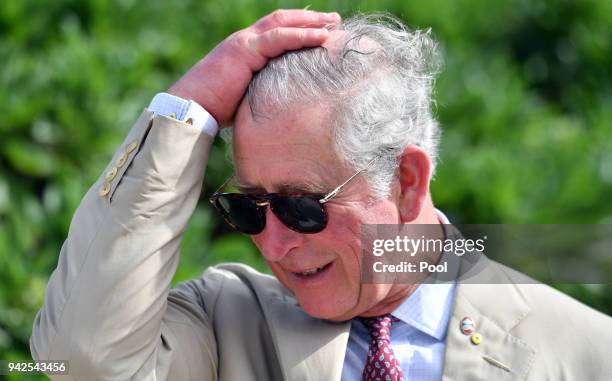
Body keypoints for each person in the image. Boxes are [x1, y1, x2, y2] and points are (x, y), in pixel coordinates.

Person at [30, 9, 612, 381]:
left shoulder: (589, 352)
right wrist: (188, 108)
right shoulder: (223, 323)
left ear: (406, 182)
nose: (275, 243)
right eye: (248, 208)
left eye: (302, 207)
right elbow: (82, 361)